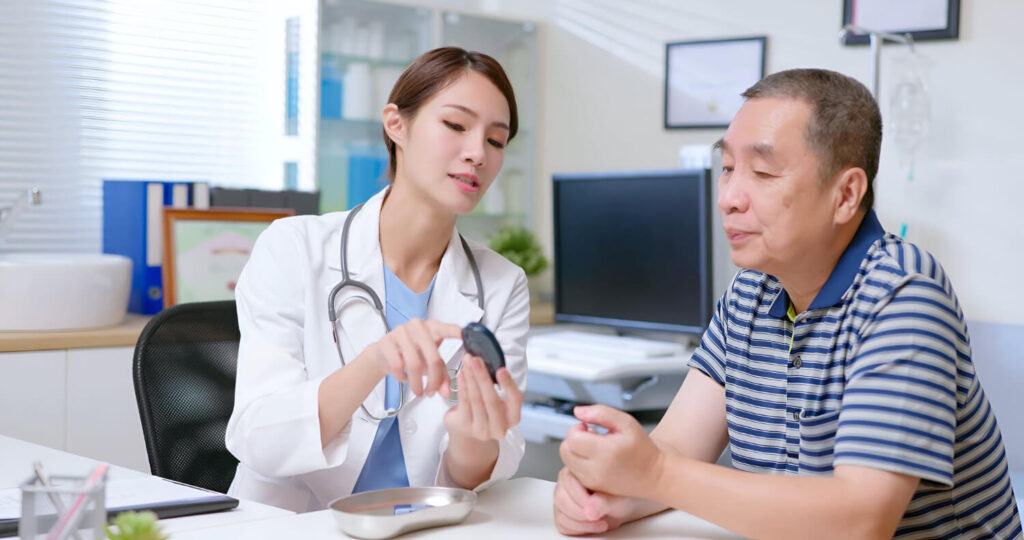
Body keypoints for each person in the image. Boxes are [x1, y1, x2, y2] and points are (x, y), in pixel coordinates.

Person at [553, 68, 1022, 539]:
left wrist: (653, 474)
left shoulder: (903, 295)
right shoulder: (750, 291)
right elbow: (676, 447)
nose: (729, 199)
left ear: (846, 195)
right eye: (729, 169)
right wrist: (605, 496)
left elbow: (861, 519)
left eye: (761, 172)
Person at [225, 47, 529, 512]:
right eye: (455, 125)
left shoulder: (503, 285)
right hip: (292, 523)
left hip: (423, 525)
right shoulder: (293, 248)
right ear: (396, 124)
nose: (477, 154)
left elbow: (476, 476)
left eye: (496, 140)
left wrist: (473, 437)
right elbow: (258, 437)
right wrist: (374, 362)